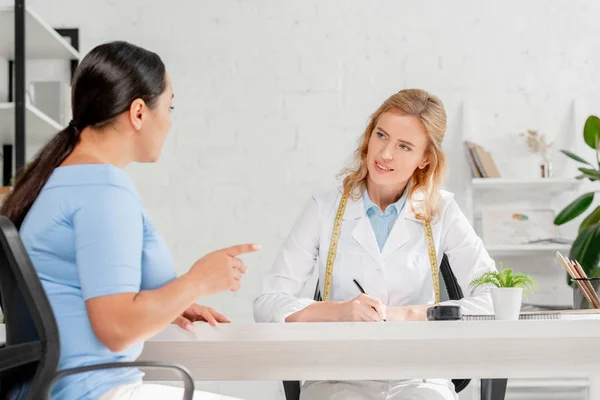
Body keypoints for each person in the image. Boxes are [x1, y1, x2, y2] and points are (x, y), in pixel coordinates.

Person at [2, 41, 258, 400]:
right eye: (169, 108)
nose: (169, 122)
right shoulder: (103, 189)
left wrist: (170, 303)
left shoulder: (58, 180)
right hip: (95, 392)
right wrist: (198, 280)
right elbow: (117, 327)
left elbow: (84, 294)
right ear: (139, 113)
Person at [253, 88, 497, 400]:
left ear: (425, 160)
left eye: (404, 146)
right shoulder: (323, 208)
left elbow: (494, 299)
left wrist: (409, 315)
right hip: (338, 377)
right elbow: (268, 303)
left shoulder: (443, 211)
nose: (384, 154)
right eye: (381, 135)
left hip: (419, 376)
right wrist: (339, 312)